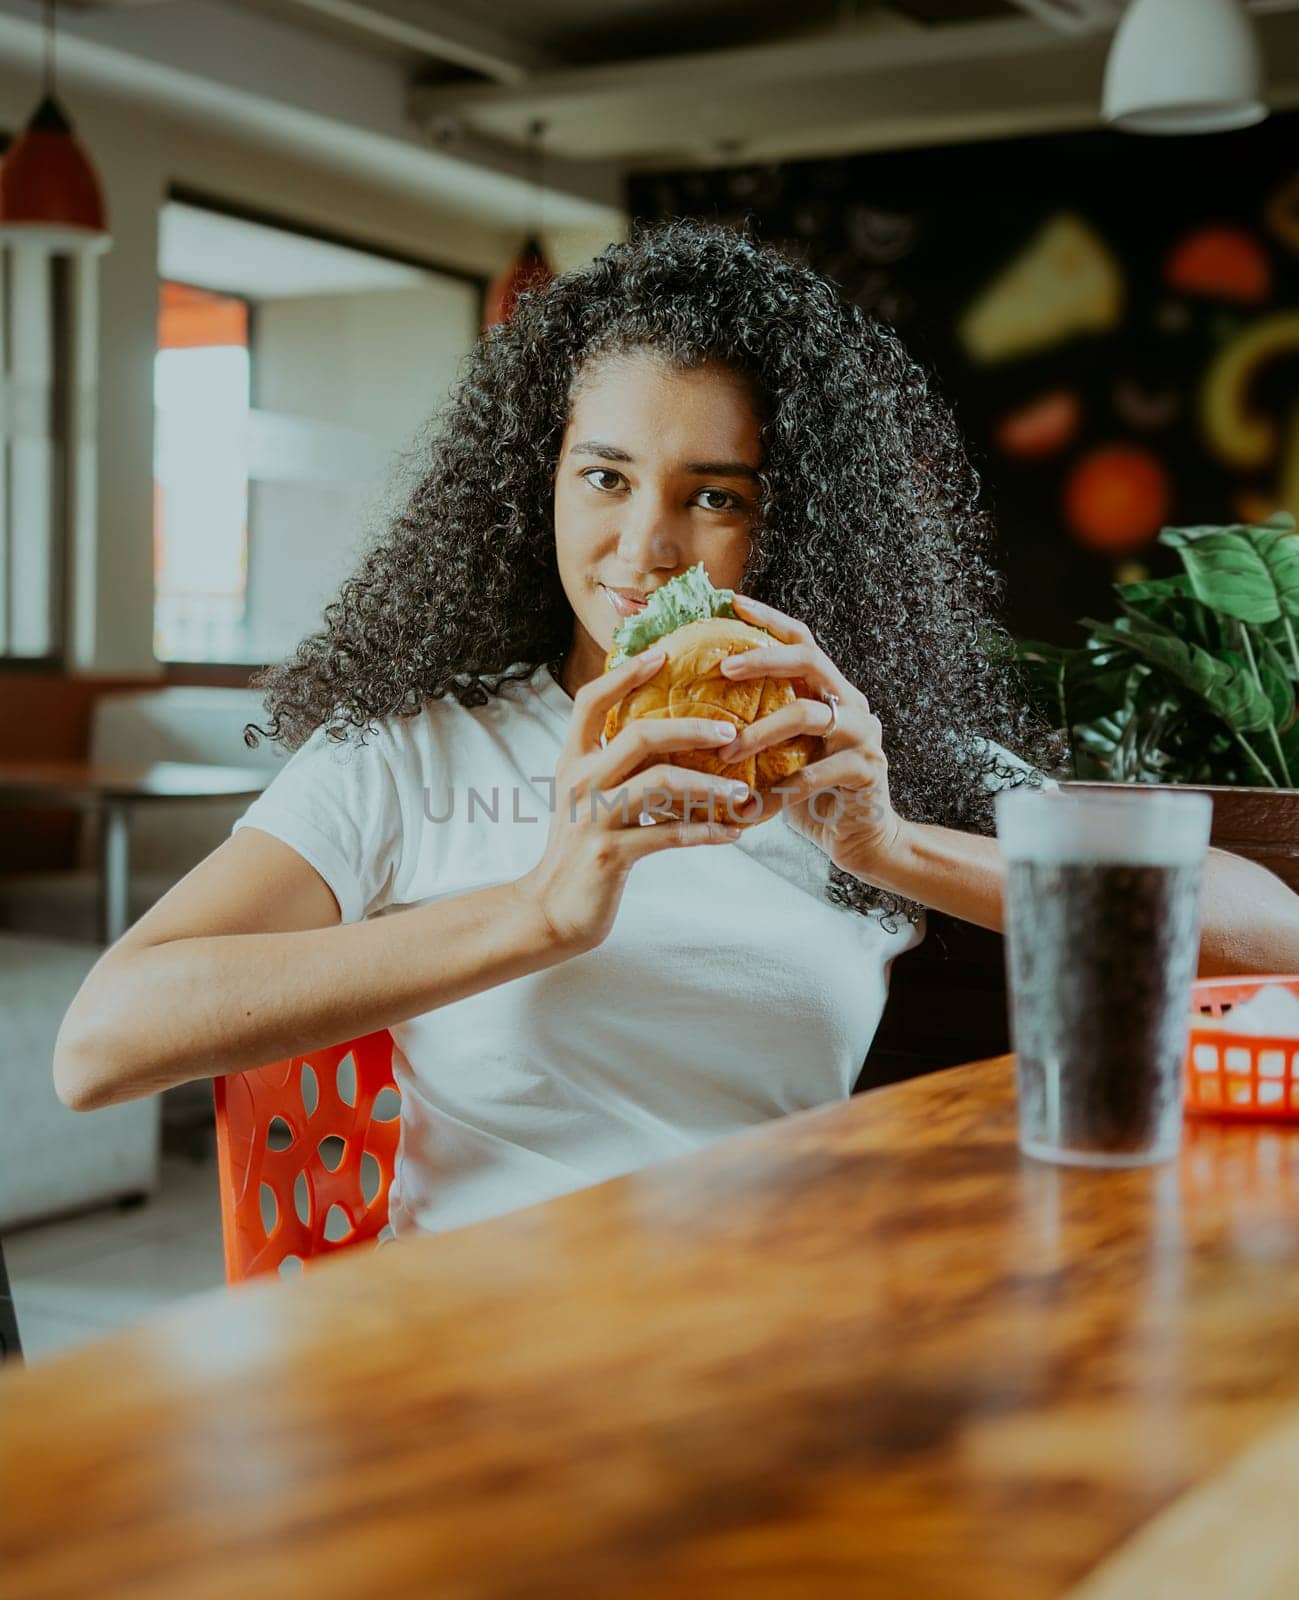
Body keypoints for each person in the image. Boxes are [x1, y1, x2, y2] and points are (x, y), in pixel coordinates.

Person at [53, 220, 1299, 1242]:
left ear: (796, 524)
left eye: (714, 496)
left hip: (768, 1338)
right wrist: (541, 908)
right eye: (603, 477)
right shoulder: (414, 749)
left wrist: (889, 848)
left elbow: (1266, 934)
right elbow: (103, 1041)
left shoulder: (868, 756)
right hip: (463, 1360)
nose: (645, 550)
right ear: (534, 482)